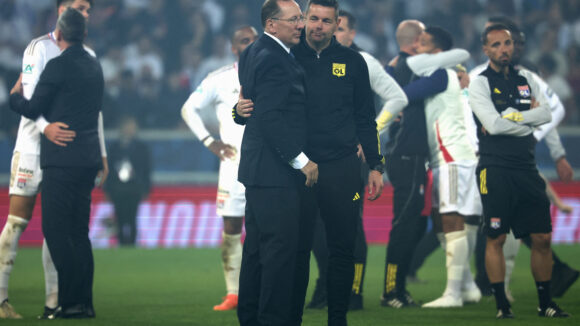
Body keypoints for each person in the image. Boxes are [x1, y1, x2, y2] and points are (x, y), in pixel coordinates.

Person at [236, 2, 384, 324]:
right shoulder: (289, 54)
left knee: (342, 248)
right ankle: (293, 318)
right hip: (298, 170)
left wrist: (375, 165)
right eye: (311, 18)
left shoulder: (353, 62)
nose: (316, 26)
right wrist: (238, 111)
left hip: (342, 169)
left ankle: (338, 319)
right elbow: (258, 102)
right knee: (296, 251)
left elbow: (364, 118)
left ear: (337, 23)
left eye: (325, 20)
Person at [0, 0, 108, 320]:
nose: (85, 13)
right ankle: (2, 298)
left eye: (88, 9)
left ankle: (55, 301)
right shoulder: (38, 48)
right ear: (60, 11)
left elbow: (94, 111)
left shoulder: (89, 56)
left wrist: (102, 151)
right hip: (35, 146)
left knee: (57, 228)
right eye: (79, 7)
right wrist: (46, 129)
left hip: (66, 153)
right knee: (18, 222)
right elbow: (32, 97)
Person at [305, 9, 407, 311]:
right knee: (315, 228)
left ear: (349, 32)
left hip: (351, 157)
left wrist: (371, 135)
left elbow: (398, 97)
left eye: (339, 29)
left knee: (350, 226)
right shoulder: (311, 56)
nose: (332, 33)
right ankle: (326, 284)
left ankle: (354, 291)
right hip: (315, 157)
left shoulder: (362, 61)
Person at [469, 17, 578, 300]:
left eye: (508, 41)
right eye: (496, 42)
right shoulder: (478, 79)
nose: (505, 47)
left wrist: (557, 153)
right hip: (486, 160)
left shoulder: (528, 76)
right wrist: (524, 122)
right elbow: (491, 124)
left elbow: (548, 115)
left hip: (521, 159)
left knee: (524, 230)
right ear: (486, 47)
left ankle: (498, 286)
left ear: (515, 44)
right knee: (494, 230)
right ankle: (494, 289)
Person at [234, 1, 318, 325]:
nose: (301, 24)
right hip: (276, 174)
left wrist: (235, 112)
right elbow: (269, 117)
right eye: (295, 19)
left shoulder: (253, 52)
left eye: (301, 18)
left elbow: (249, 107)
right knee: (279, 256)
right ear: (272, 24)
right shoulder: (275, 59)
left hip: (258, 173)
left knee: (256, 254)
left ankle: (252, 319)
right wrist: (301, 161)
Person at [399, 26, 481, 308]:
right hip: (448, 157)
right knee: (442, 219)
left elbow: (406, 93)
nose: (416, 47)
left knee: (451, 220)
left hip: (453, 157)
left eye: (422, 43)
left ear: (436, 51)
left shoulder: (441, 73)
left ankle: (453, 294)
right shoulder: (452, 73)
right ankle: (468, 287)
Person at [181, 25, 258, 311]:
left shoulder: (274, 72)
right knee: (232, 227)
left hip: (268, 164)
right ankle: (233, 293)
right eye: (243, 41)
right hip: (233, 164)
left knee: (266, 229)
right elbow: (188, 109)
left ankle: (261, 289)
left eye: (253, 40)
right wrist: (209, 141)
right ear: (234, 48)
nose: (249, 44)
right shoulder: (220, 78)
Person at [104, 116, 151, 247]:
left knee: (132, 218)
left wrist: (146, 188)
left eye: (132, 126)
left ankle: (131, 244)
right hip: (118, 188)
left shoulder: (142, 148)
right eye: (127, 126)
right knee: (119, 217)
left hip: (134, 188)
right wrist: (107, 189)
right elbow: (109, 169)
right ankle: (121, 243)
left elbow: (146, 169)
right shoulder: (114, 147)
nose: (130, 129)